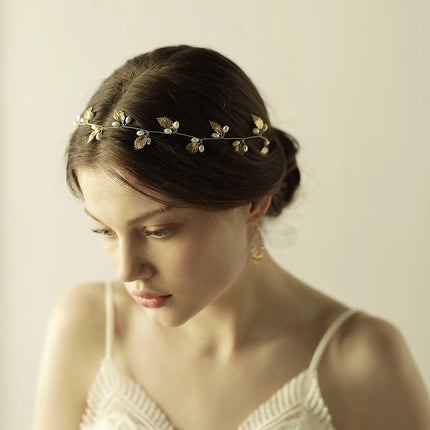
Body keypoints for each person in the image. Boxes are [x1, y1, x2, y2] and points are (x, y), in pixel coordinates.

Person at [33, 45, 430, 430]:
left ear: (254, 204)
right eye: (104, 231)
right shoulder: (86, 325)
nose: (126, 269)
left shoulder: (363, 363)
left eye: (159, 231)